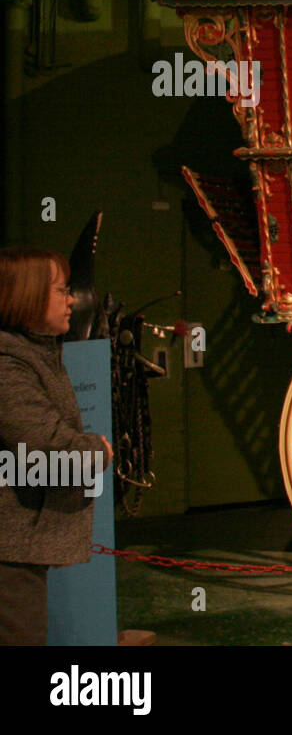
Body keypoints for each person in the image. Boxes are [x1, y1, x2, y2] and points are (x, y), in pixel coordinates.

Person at [0, 246, 112, 645]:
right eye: (62, 290)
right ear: (28, 296)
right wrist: (97, 450)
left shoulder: (35, 353)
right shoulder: (8, 361)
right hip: (8, 549)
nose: (72, 300)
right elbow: (48, 450)